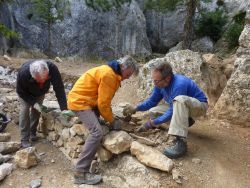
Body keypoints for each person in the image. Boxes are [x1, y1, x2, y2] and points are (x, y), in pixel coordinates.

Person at [67, 55, 139, 185]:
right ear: (123, 67)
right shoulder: (109, 75)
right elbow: (103, 104)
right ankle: (80, 172)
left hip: (88, 100)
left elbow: (103, 100)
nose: (128, 78)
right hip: (80, 102)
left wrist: (109, 118)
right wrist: (112, 121)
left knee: (100, 125)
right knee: (97, 132)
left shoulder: (112, 72)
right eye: (128, 74)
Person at [124, 62, 208, 159]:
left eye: (156, 81)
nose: (154, 83)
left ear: (167, 78)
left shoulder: (179, 84)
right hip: (183, 108)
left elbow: (172, 110)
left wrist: (152, 123)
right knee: (153, 112)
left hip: (199, 106)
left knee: (179, 100)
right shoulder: (160, 85)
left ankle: (181, 142)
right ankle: (185, 120)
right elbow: (152, 101)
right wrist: (136, 108)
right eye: (153, 80)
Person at [16, 59, 68, 148]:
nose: (43, 82)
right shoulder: (23, 74)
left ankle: (32, 132)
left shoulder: (52, 68)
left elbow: (59, 88)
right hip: (26, 93)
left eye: (45, 79)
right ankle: (24, 138)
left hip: (40, 92)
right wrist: (33, 103)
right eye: (39, 80)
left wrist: (64, 109)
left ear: (47, 72)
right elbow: (21, 92)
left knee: (37, 110)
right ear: (33, 76)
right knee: (25, 111)